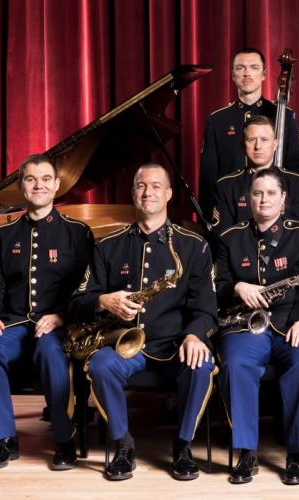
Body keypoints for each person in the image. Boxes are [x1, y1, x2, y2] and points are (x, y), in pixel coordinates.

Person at [70, 163, 218, 481]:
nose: (147, 192)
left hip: (175, 345)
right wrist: (102, 301)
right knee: (100, 366)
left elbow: (207, 310)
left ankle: (182, 447)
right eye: (140, 185)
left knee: (201, 365)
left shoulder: (194, 246)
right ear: (133, 193)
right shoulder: (107, 246)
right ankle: (123, 445)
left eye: (154, 186)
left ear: (168, 193)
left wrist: (195, 337)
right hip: (123, 348)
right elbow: (77, 301)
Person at [0, 154, 94, 469]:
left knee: (52, 354)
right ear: (21, 186)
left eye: (45, 179)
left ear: (56, 185)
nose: (38, 185)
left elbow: (86, 287)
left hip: (57, 324)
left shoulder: (78, 232)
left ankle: (64, 441)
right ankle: (5, 439)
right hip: (12, 323)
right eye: (30, 179)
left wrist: (62, 315)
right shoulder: (2, 236)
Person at [215, 168, 299, 485]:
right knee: (236, 365)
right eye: (257, 193)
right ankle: (246, 452)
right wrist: (237, 287)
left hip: (294, 320)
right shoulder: (229, 237)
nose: (263, 199)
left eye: (270, 194)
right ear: (248, 198)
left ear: (283, 199)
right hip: (244, 322)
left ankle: (295, 454)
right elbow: (218, 283)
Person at [199, 48, 299, 218]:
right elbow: (208, 178)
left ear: (264, 74)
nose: (247, 73)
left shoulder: (285, 116)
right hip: (232, 213)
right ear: (233, 75)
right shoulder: (217, 120)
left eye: (254, 67)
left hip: (278, 211)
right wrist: (208, 220)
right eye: (240, 68)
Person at [212, 115, 299, 234]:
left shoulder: (297, 183)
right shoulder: (226, 186)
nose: (258, 146)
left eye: (264, 140)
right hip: (241, 252)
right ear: (242, 145)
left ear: (275, 144)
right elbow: (223, 237)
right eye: (251, 140)